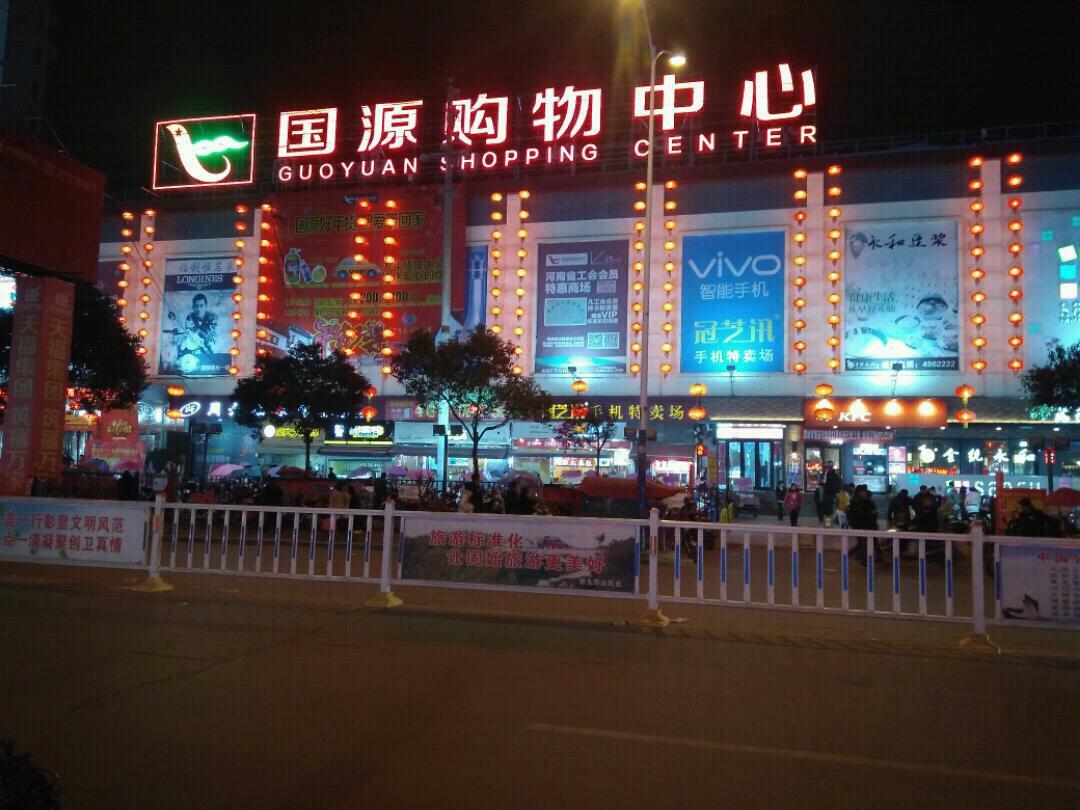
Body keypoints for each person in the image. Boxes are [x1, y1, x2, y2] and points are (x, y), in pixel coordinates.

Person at [847, 485, 879, 564]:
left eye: (865, 491)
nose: (864, 493)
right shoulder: (856, 502)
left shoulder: (864, 501)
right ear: (859, 492)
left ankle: (854, 554)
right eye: (863, 491)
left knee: (865, 543)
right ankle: (864, 561)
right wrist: (871, 513)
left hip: (868, 524)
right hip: (861, 525)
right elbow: (858, 514)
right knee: (864, 543)